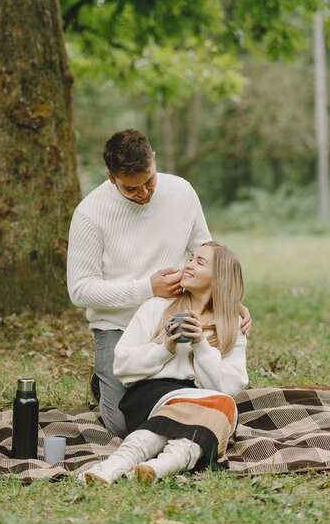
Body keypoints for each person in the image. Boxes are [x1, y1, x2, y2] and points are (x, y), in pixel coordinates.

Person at [67, 129, 251, 437]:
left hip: (175, 314)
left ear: (154, 160)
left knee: (192, 402)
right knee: (123, 426)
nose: (144, 193)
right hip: (119, 326)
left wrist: (228, 298)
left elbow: (206, 250)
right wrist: (146, 289)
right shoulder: (89, 214)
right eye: (131, 187)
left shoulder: (181, 192)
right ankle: (108, 378)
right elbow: (80, 289)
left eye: (149, 181)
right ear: (111, 178)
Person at [79, 241, 248, 484]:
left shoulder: (232, 324)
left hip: (200, 400)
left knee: (215, 407)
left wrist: (201, 343)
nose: (188, 265)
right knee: (225, 408)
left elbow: (230, 385)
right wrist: (165, 348)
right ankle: (155, 465)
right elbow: (123, 365)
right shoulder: (157, 307)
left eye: (199, 262)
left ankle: (135, 468)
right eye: (191, 258)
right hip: (150, 396)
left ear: (219, 277)